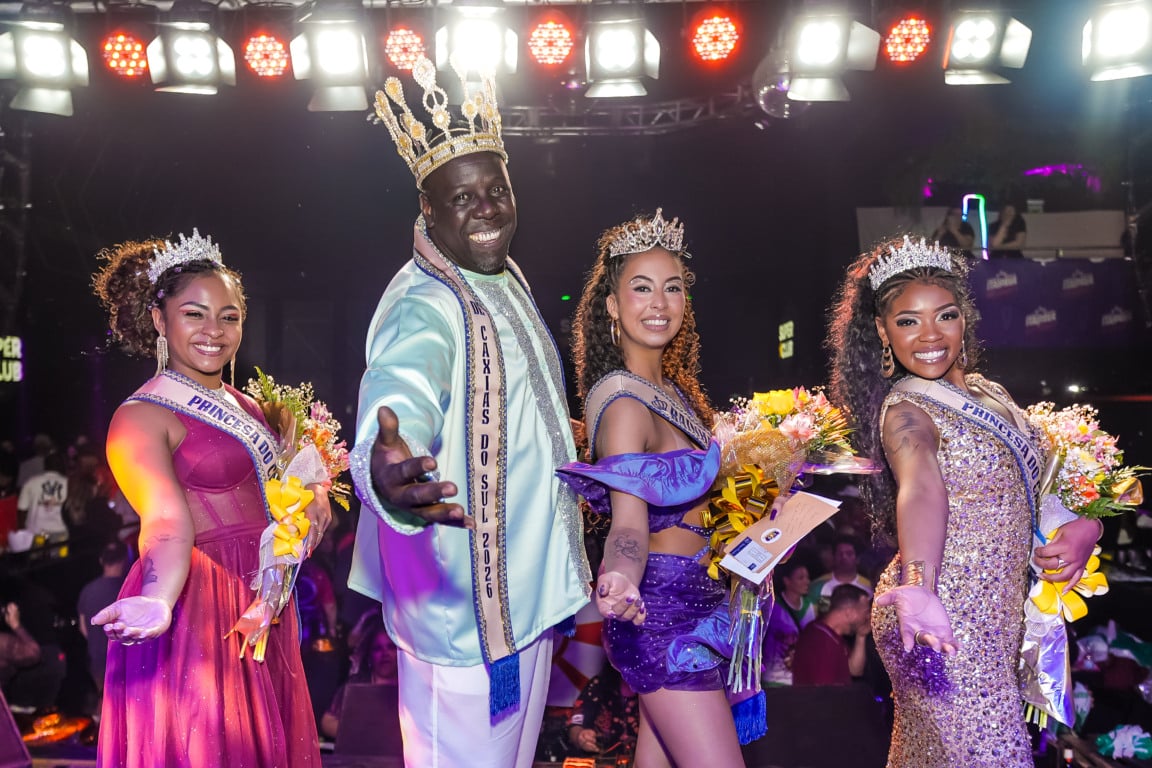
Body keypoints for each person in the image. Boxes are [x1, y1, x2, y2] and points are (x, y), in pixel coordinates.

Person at [350, 57, 590, 768]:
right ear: (428, 210)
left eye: (496, 190)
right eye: (461, 198)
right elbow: (401, 390)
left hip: (529, 602)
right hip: (466, 619)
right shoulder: (427, 302)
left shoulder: (499, 276)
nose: (484, 208)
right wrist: (386, 463)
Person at [826, 235, 1103, 767]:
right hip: (940, 619)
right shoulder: (906, 411)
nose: (929, 335)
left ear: (963, 319)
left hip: (995, 619)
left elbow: (1038, 492)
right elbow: (922, 486)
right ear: (883, 331)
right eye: (908, 321)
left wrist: (1085, 527)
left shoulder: (991, 394)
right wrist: (922, 585)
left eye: (944, 315)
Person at [89, 231, 328, 767]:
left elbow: (287, 490)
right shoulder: (141, 416)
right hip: (197, 599)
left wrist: (315, 497)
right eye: (194, 314)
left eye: (230, 316)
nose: (213, 332)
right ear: (159, 319)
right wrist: (157, 597)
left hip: (260, 597)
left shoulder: (254, 408)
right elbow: (168, 523)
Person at [557, 209, 753, 767]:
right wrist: (620, 576)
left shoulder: (679, 397)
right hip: (660, 614)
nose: (659, 303)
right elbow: (627, 524)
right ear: (614, 306)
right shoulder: (623, 405)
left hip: (702, 603)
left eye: (672, 288)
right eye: (641, 289)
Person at [320, 614, 399, 740]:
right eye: (378, 649)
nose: (385, 654)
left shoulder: (409, 687)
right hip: (358, 757)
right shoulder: (356, 684)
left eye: (390, 647)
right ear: (369, 656)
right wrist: (360, 733)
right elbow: (327, 723)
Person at [76, 540, 128, 707]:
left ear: (101, 560)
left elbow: (84, 629)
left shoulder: (87, 590)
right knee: (125, 707)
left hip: (97, 662)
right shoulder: (127, 589)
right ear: (124, 560)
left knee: (106, 704)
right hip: (124, 661)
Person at [791, 584, 870, 687]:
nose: (868, 616)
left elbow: (855, 671)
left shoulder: (833, 635)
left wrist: (861, 636)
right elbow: (824, 690)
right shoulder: (818, 640)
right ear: (849, 613)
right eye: (866, 612)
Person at [762, 558, 817, 686]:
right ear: (787, 581)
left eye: (807, 577)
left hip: (801, 679)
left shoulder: (811, 607)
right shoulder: (773, 606)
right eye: (801, 578)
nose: (807, 582)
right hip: (773, 679)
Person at [566, 663, 639, 759]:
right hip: (601, 759)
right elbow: (575, 723)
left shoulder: (656, 690)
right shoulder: (598, 685)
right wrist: (580, 736)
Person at [17, 451, 69, 542]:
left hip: (35, 534)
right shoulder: (69, 484)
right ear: (63, 465)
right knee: (61, 555)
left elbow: (21, 511)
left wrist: (23, 533)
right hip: (60, 535)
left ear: (45, 466)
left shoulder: (31, 482)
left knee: (35, 556)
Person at [808, 534, 872, 600]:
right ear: (833, 557)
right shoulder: (817, 586)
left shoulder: (869, 587)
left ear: (857, 559)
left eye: (849, 554)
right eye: (840, 553)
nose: (844, 557)